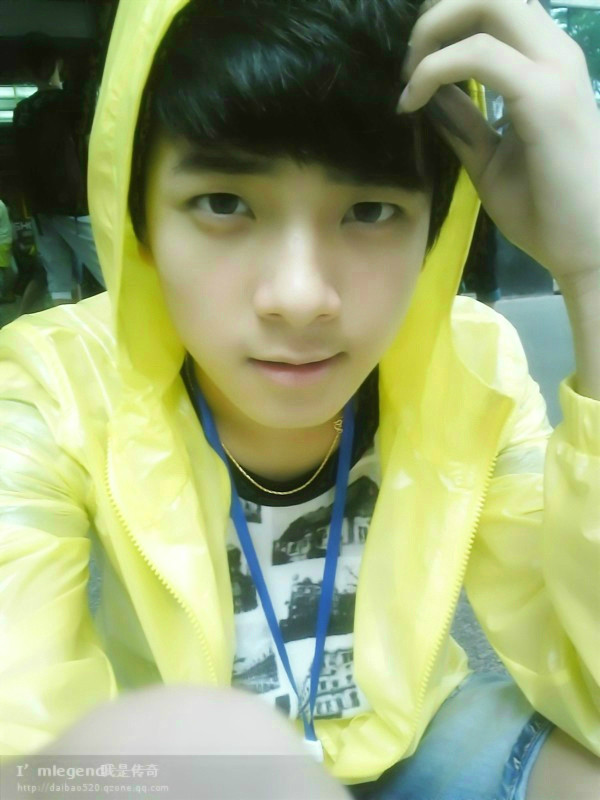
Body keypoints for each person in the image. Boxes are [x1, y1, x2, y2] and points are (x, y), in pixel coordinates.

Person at [0, 1, 599, 799]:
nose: (299, 297)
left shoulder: (471, 363)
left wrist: (591, 272)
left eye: (370, 211)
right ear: (136, 213)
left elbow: (589, 684)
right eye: (224, 203)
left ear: (434, 227)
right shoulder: (59, 382)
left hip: (415, 743)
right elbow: (21, 746)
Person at [12, 33, 106, 307]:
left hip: (40, 209)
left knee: (59, 280)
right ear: (59, 63)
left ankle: (66, 329)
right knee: (110, 271)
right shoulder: (69, 102)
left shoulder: (22, 111)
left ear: (27, 71)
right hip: (73, 205)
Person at [0, 198, 16, 304]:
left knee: (6, 269)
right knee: (5, 268)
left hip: (1, 241)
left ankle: (8, 294)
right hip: (4, 240)